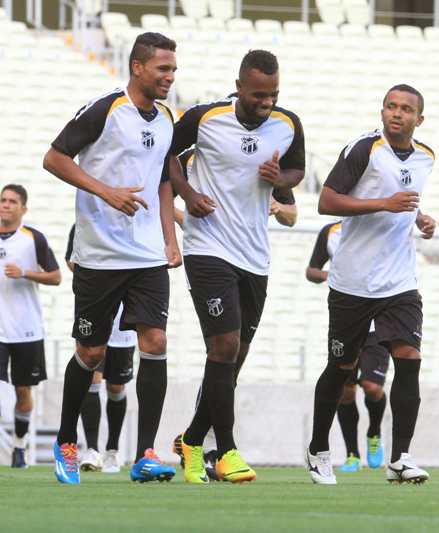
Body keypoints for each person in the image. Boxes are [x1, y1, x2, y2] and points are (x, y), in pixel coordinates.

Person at [43, 32, 181, 484]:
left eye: (173, 69)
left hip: (146, 256)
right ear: (138, 67)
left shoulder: (165, 119)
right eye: (163, 69)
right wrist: (106, 191)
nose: (170, 77)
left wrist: (169, 237)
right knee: (91, 350)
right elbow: (54, 158)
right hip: (100, 255)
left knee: (155, 344)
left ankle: (144, 454)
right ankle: (67, 442)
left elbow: (163, 180)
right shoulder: (105, 109)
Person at [168, 50, 305, 483]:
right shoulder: (205, 117)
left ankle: (191, 440)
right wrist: (187, 195)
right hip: (208, 247)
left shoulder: (288, 122)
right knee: (223, 348)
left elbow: (297, 170)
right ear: (240, 86)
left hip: (255, 255)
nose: (267, 102)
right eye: (259, 95)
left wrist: (278, 179)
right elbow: (166, 157)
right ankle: (224, 451)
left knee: (235, 357)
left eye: (274, 95)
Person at [306, 84, 436, 485]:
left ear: (419, 119)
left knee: (410, 358)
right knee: (342, 367)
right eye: (390, 107)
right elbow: (326, 201)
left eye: (405, 109)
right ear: (382, 112)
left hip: (399, 280)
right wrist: (386, 204)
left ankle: (400, 458)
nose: (396, 114)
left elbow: (403, 199)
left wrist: (420, 219)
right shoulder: (363, 149)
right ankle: (318, 449)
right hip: (353, 282)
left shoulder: (426, 157)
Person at [0, 184, 61, 469]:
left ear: (23, 209)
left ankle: (20, 448)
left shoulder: (32, 238)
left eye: (12, 201)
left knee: (24, 391)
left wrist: (24, 272)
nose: (6, 205)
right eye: (2, 200)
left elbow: (56, 276)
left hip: (26, 328)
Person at [306, 221, 389, 472]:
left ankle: (374, 433)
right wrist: (330, 275)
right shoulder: (330, 232)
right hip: (347, 321)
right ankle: (352, 454)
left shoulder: (380, 225)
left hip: (378, 322)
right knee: (346, 390)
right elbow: (311, 271)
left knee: (372, 387)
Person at [65, 224, 137, 474]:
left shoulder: (133, 223)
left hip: (122, 323)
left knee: (116, 386)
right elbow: (71, 261)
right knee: (92, 375)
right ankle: (92, 450)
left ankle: (112, 452)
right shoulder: (84, 223)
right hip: (94, 309)